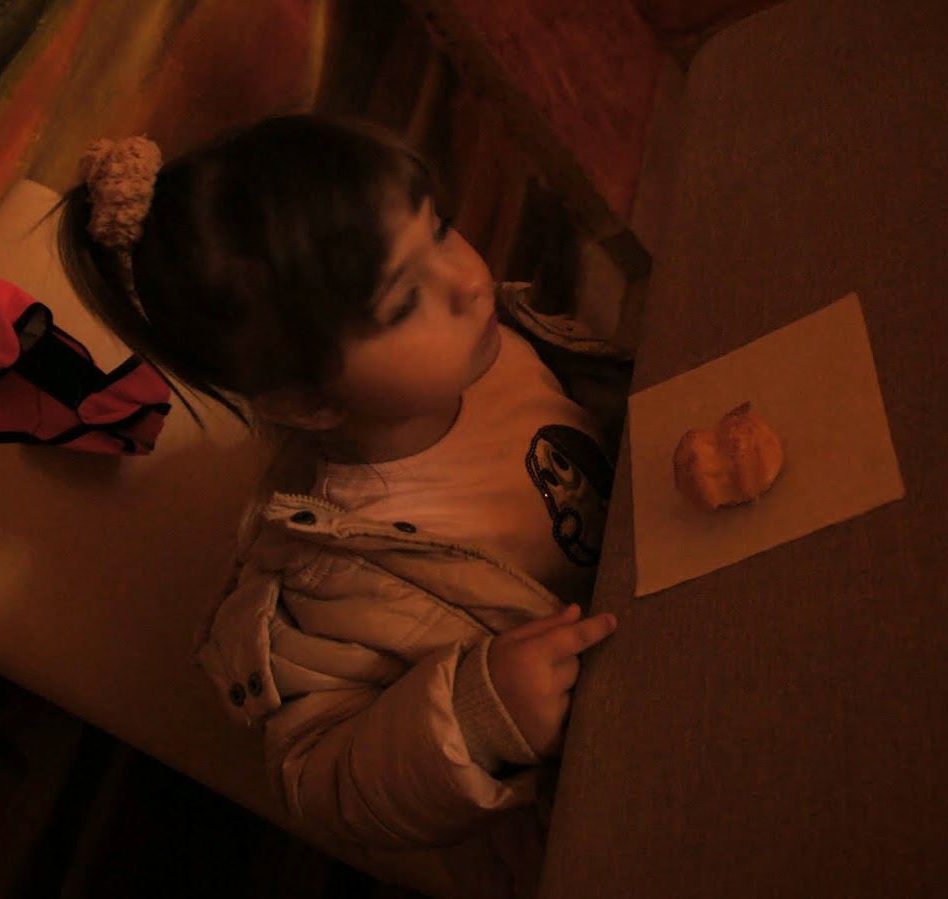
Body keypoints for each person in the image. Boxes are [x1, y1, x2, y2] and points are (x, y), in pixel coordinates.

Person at [55, 114, 628, 899]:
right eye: (404, 299)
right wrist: (480, 714)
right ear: (308, 401)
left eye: (440, 229)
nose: (468, 281)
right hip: (584, 796)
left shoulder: (486, 352)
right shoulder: (326, 580)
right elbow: (321, 779)